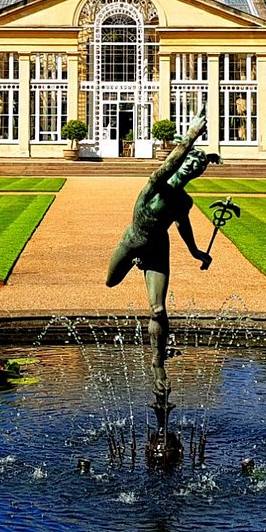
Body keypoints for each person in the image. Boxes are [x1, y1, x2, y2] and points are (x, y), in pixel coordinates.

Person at [105, 113, 217, 397]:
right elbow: (170, 163)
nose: (193, 169)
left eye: (199, 169)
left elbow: (183, 226)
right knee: (111, 281)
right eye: (191, 163)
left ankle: (158, 364)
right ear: (182, 162)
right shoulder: (156, 184)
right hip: (132, 243)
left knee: (158, 310)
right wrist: (191, 136)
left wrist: (196, 252)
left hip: (158, 249)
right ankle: (135, 262)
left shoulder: (184, 201)